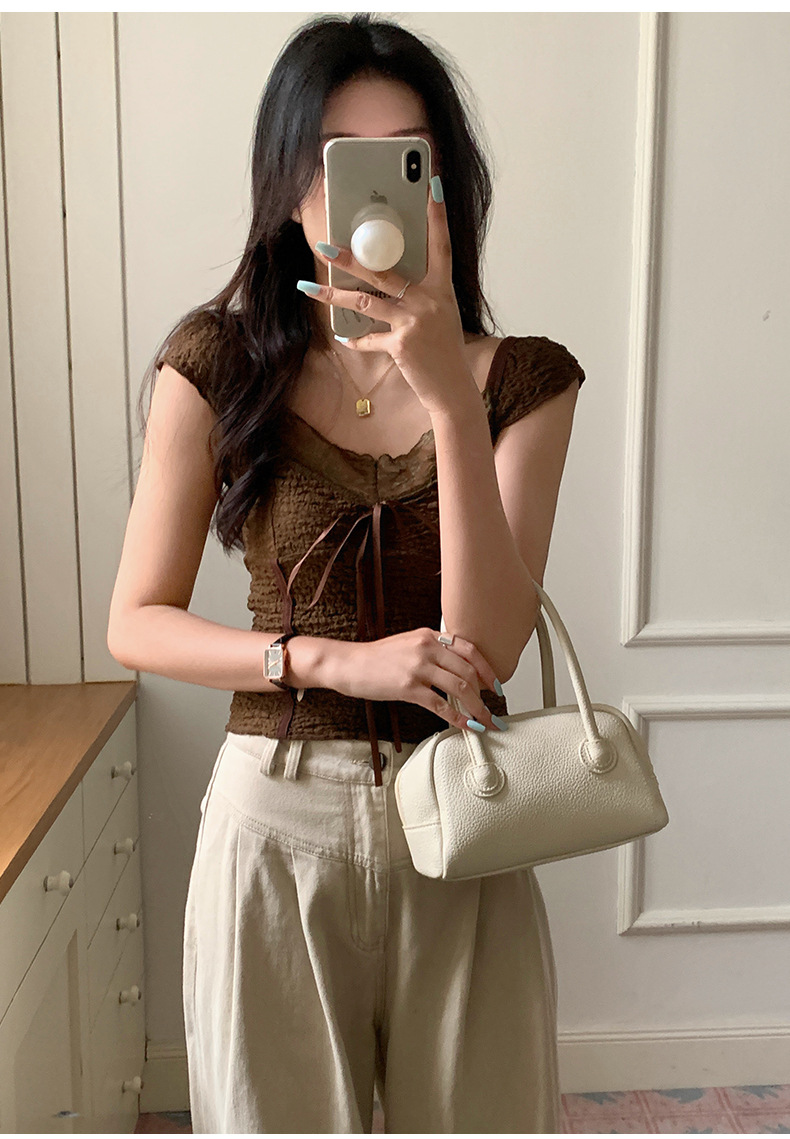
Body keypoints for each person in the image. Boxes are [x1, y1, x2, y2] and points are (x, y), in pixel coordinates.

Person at [108, 12, 586, 1134]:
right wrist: (325, 659)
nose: (372, 195)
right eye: (337, 160)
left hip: (467, 822)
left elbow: (490, 644)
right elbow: (136, 619)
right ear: (288, 188)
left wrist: (450, 396)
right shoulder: (216, 363)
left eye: (407, 159)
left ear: (446, 186)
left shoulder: (524, 381)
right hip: (273, 824)